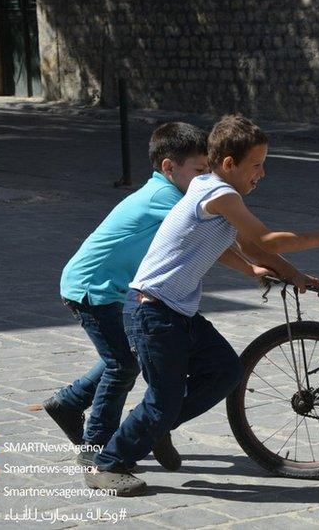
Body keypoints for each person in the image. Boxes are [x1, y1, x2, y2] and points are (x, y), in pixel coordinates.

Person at [86, 114, 319, 495]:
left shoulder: (213, 191)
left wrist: (295, 275)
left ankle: (154, 428)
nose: (262, 173)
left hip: (177, 311)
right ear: (229, 164)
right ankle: (108, 462)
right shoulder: (216, 193)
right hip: (152, 311)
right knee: (163, 402)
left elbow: (252, 247)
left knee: (224, 371)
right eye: (256, 165)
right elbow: (266, 237)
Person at [46, 122, 215, 470]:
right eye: (199, 171)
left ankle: (69, 402)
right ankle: (96, 443)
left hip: (113, 288)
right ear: (169, 167)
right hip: (93, 289)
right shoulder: (163, 198)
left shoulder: (174, 193)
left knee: (124, 358)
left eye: (208, 171)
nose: (204, 180)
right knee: (122, 364)